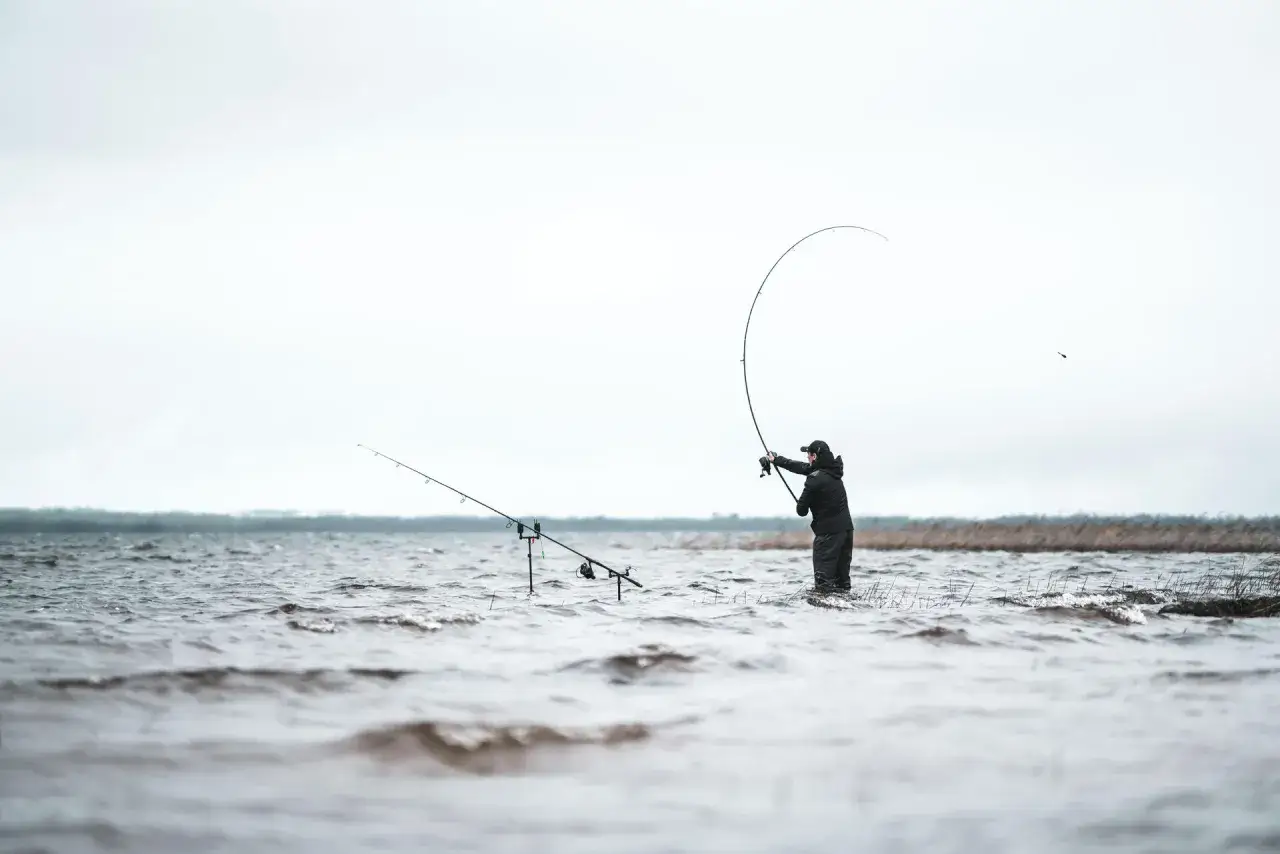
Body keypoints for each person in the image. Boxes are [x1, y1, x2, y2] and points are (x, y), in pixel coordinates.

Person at [763, 440, 853, 593]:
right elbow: (801, 467)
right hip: (846, 532)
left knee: (823, 586)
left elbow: (801, 510)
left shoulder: (814, 479)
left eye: (809, 455)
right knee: (842, 584)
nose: (807, 458)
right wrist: (776, 460)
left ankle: (823, 613)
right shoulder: (834, 471)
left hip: (827, 535)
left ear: (815, 456)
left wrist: (804, 502)